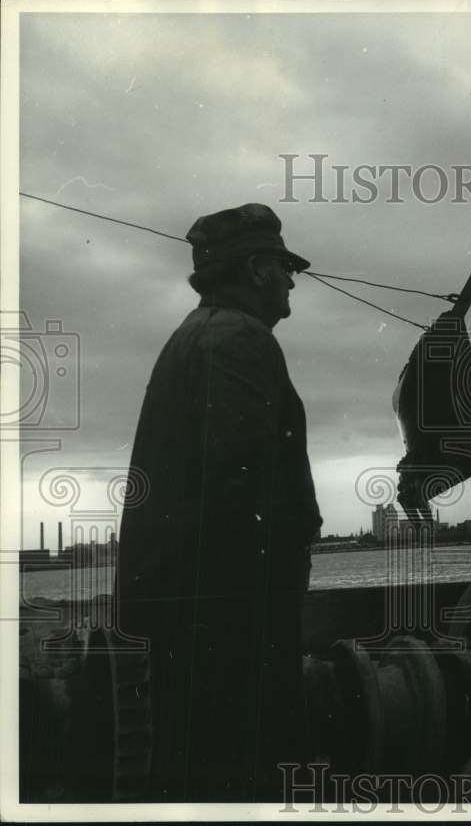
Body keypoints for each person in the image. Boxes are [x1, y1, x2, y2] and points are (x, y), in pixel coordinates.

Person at [116, 203, 322, 802]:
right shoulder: (239, 340)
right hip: (231, 628)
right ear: (259, 269)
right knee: (249, 772)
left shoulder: (198, 334)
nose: (291, 282)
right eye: (285, 268)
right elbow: (237, 491)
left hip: (193, 622)